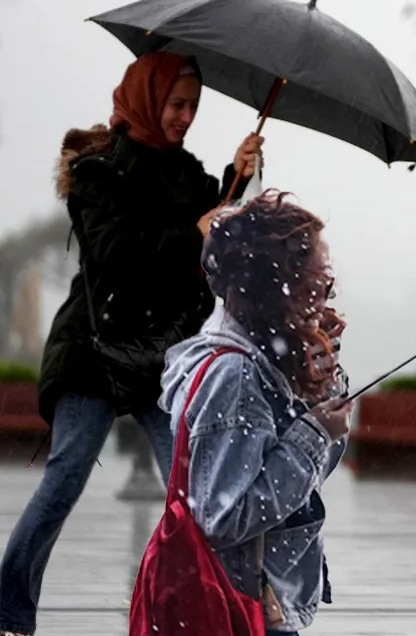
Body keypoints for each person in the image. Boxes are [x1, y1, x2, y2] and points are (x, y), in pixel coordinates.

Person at [0, 51, 261, 636]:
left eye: (193, 106)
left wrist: (236, 180)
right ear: (148, 99)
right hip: (94, 347)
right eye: (176, 104)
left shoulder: (189, 176)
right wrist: (188, 232)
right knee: (65, 478)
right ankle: (7, 613)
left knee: (191, 487)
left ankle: (188, 614)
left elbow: (210, 239)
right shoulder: (97, 173)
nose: (185, 116)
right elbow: (114, 252)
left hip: (159, 355)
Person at [158, 190, 350, 635]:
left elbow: (308, 478)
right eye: (318, 283)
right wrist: (315, 432)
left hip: (261, 600)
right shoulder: (235, 376)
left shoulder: (263, 359)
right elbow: (224, 517)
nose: (326, 296)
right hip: (241, 606)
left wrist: (321, 384)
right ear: (278, 287)